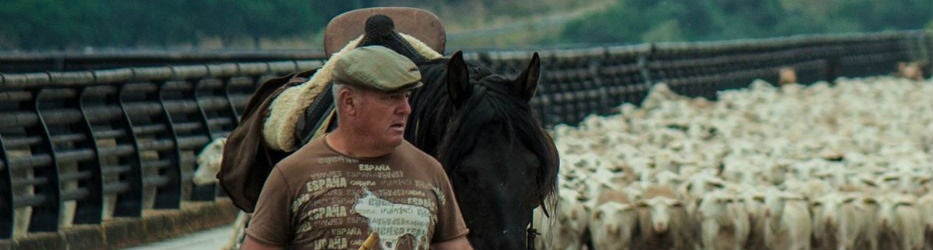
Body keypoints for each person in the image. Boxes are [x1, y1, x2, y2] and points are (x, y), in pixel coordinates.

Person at [241, 45, 472, 250]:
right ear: (349, 102)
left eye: (406, 96)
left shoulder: (430, 171)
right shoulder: (291, 175)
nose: (405, 109)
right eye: (392, 97)